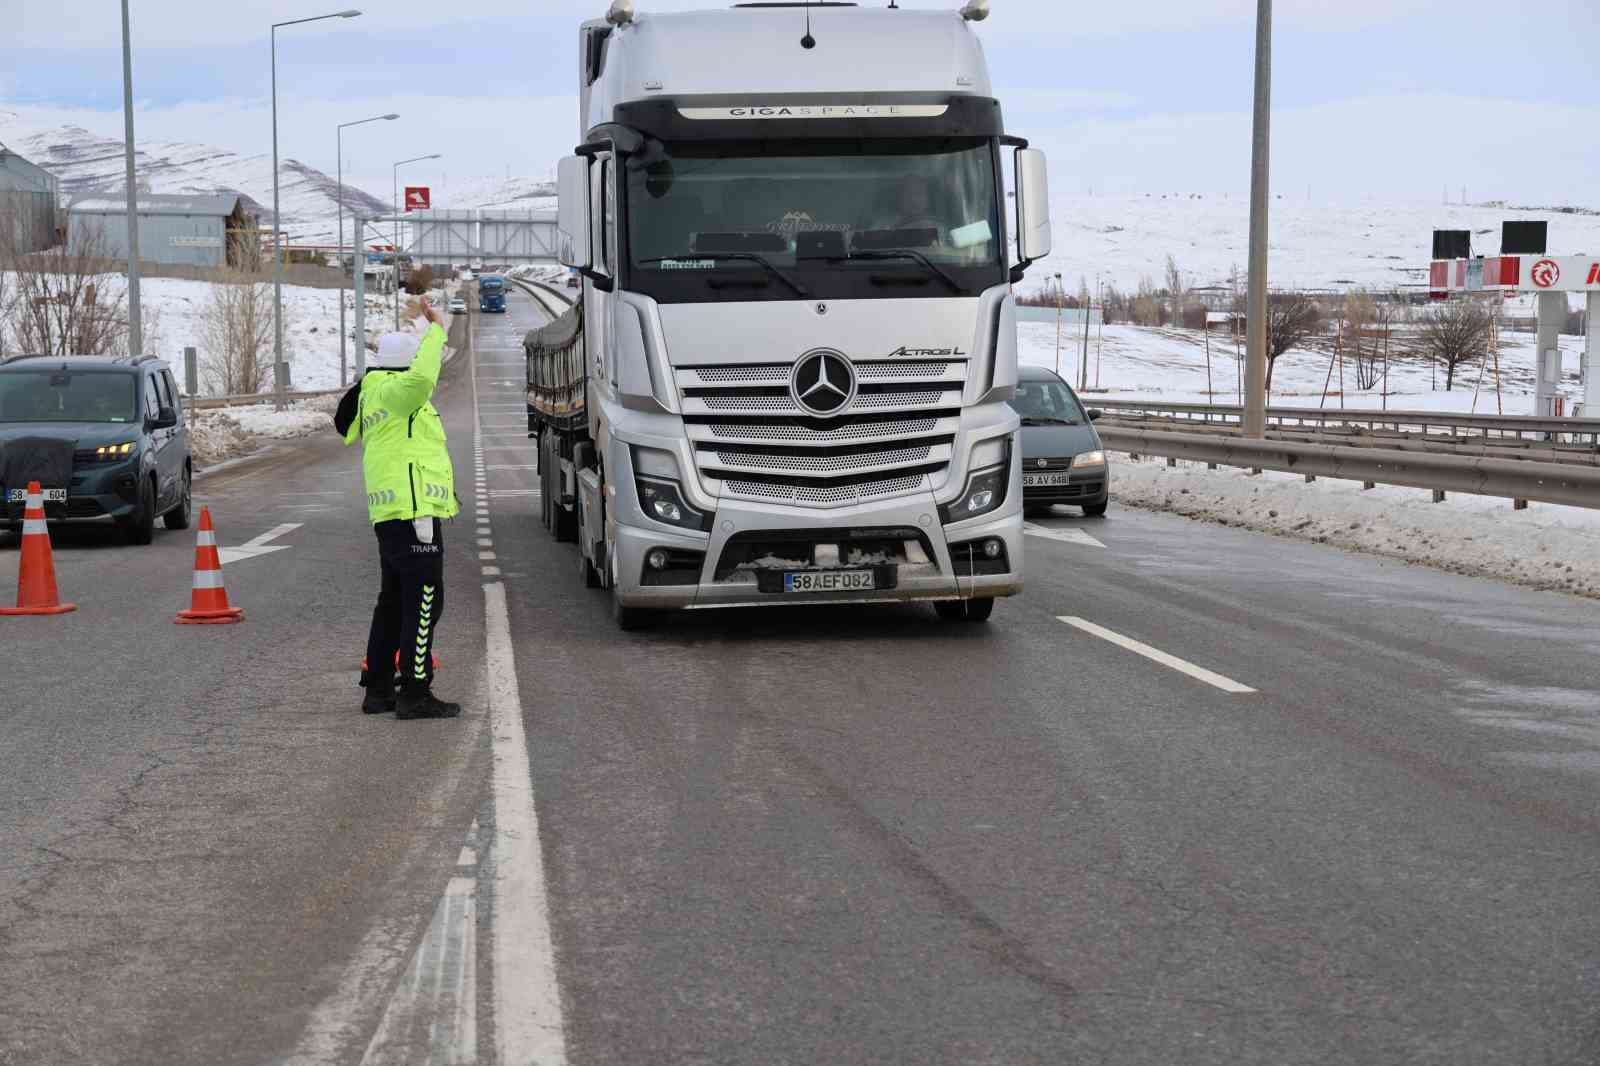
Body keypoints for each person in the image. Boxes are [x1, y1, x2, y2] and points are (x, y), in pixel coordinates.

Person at [335, 296, 461, 720]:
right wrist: (437, 327)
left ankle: (379, 690)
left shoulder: (373, 394)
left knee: (392, 601)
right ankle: (415, 692)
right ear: (402, 367)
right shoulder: (401, 391)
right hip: (414, 513)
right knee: (425, 600)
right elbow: (424, 375)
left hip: (390, 514)